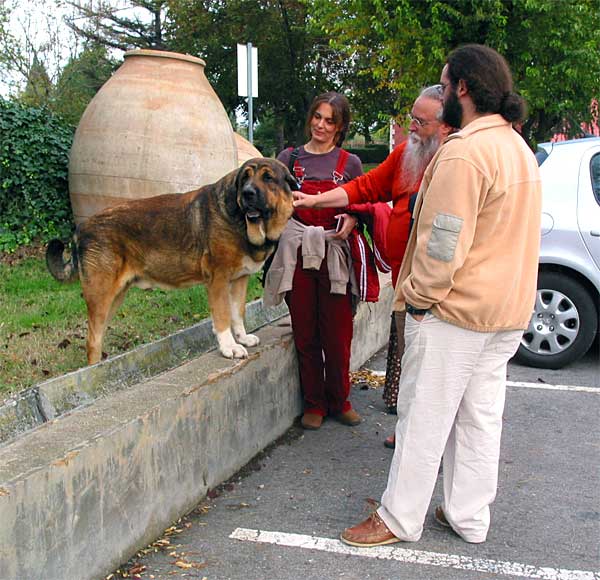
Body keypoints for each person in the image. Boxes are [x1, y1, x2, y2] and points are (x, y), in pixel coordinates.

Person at [296, 44, 542, 545]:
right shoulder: (515, 145)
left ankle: (397, 518)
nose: (443, 91)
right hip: (506, 311)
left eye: (446, 83)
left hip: (457, 313)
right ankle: (468, 516)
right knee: (478, 420)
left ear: (463, 90)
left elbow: (442, 242)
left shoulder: (465, 152)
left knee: (423, 418)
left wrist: (421, 302)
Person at [288, 85, 453, 446]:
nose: (410, 126)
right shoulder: (404, 155)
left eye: (419, 121)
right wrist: (317, 203)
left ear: (445, 126)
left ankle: (416, 436)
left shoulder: (455, 162)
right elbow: (365, 189)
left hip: (438, 286)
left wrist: (348, 215)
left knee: (427, 361)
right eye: (410, 118)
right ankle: (405, 428)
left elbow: (449, 231)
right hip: (405, 279)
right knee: (409, 355)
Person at [263, 91, 364, 431]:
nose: (321, 125)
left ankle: (340, 400)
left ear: (340, 127)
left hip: (334, 252)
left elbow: (360, 201)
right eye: (317, 117)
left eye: (329, 120)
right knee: (305, 332)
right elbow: (272, 202)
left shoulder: (350, 163)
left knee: (338, 333)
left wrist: (354, 218)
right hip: (297, 252)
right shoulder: (288, 159)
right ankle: (314, 404)